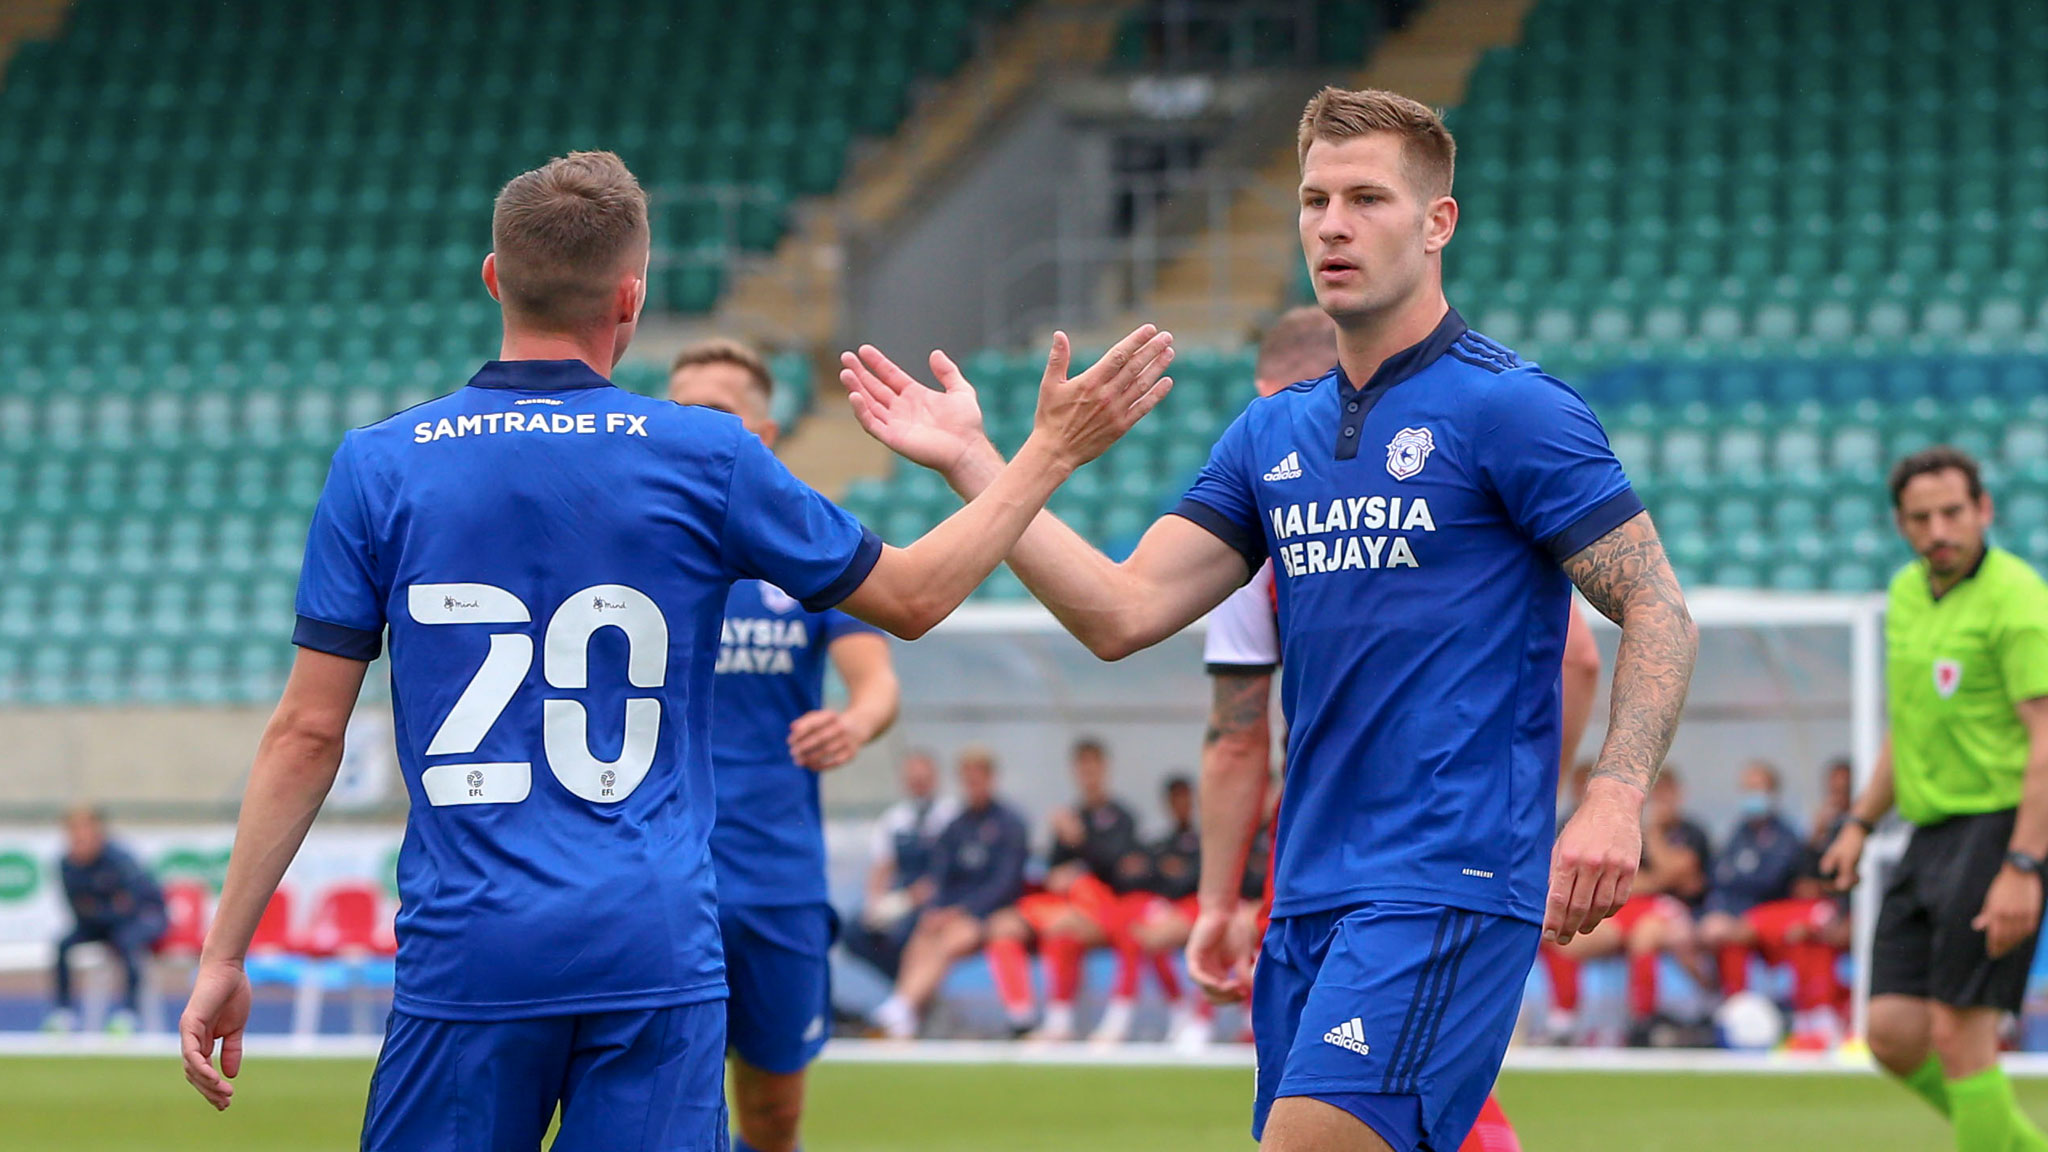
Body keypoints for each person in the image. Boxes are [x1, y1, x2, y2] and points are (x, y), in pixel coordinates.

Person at [177, 148, 1177, 1148]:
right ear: (630, 299)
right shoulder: (705, 454)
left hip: (470, 946)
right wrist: (1045, 450)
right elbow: (913, 598)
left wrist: (224, 954)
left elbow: (308, 734)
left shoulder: (377, 466)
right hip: (647, 943)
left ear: (493, 277)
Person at [840, 87, 1696, 1152]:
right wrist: (980, 460)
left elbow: (1655, 606)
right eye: (1313, 199)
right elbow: (1119, 610)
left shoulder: (1513, 409)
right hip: (1306, 892)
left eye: (1366, 198)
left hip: (1445, 875)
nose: (1331, 224)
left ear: (1438, 223)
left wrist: (1612, 799)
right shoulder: (1267, 433)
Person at [669, 338, 903, 1152]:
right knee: (655, 1112)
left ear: (761, 434)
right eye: (681, 409)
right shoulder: (633, 545)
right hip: (656, 878)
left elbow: (877, 684)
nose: (694, 425)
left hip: (774, 877)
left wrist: (855, 720)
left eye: (718, 412)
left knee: (772, 1119)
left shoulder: (806, 543)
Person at [1821, 446, 2048, 1152]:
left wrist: (2024, 865)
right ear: (1901, 524)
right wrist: (1860, 820)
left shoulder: (2018, 601)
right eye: (1920, 518)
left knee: (1960, 1035)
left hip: (1999, 827)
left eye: (1952, 512)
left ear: (1984, 510)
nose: (1937, 529)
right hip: (1928, 835)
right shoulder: (1907, 596)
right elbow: (1908, 724)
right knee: (1891, 1033)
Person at [988, 737, 1142, 1041]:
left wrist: (1080, 840)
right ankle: (1031, 1021)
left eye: (1093, 767)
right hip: (1069, 908)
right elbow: (1053, 870)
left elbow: (1120, 871)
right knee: (1010, 930)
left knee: (1082, 927)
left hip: (1108, 910)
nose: (1087, 775)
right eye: (1081, 768)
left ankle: (1099, 1023)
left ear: (1104, 768)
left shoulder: (1121, 817)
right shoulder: (1069, 816)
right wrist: (1062, 871)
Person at [871, 748, 1031, 1039]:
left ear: (991, 778)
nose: (973, 784)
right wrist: (937, 909)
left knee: (954, 937)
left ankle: (901, 1006)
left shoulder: (1009, 824)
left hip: (988, 913)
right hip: (953, 912)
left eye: (978, 777)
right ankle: (906, 1012)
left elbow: (1004, 884)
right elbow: (940, 876)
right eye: (968, 778)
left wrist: (961, 910)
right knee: (923, 934)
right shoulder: (956, 826)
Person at [1551, 770, 1712, 1045]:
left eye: (1665, 794)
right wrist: (1645, 881)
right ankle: (1564, 1021)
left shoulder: (1689, 831)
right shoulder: (1620, 826)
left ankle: (1645, 1022)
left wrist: (1655, 832)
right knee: (1561, 934)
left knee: (1645, 937)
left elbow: (1677, 876)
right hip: (1626, 904)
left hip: (1668, 907)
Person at [1695, 761, 1845, 1044]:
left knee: (1806, 931)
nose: (1752, 796)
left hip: (1775, 920)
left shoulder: (1785, 837)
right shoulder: (1738, 834)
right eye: (1747, 789)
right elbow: (1719, 876)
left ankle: (1817, 1020)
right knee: (1726, 939)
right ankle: (1731, 1014)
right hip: (1739, 921)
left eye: (1758, 788)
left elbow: (1770, 880)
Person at [46, 807, 166, 1035]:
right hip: (97, 925)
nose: (78, 839)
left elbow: (135, 903)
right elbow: (78, 909)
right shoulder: (66, 864)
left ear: (97, 832)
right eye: (73, 833)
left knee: (127, 941)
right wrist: (109, 908)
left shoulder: (120, 860)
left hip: (137, 922)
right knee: (62, 944)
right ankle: (64, 1013)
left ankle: (129, 1013)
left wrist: (101, 909)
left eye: (83, 832)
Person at [849, 750, 961, 979]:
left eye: (923, 779)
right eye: (913, 779)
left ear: (935, 778)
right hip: (905, 898)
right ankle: (905, 986)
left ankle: (911, 994)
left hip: (942, 897)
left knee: (910, 933)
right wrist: (877, 904)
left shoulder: (953, 815)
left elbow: (952, 871)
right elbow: (882, 867)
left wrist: (910, 900)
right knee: (855, 930)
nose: (918, 784)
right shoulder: (894, 820)